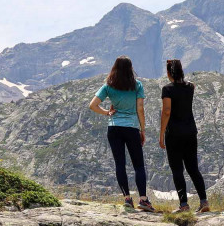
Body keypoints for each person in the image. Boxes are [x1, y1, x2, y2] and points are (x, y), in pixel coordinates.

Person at [89, 56, 155, 212]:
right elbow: (140, 109)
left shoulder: (108, 86)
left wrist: (107, 113)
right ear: (130, 68)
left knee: (120, 164)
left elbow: (92, 105)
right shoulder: (137, 85)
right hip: (131, 128)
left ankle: (127, 198)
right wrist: (142, 129)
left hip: (114, 128)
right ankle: (143, 200)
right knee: (138, 165)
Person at [159, 59, 209, 213]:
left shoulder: (167, 89)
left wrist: (161, 134)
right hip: (190, 132)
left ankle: (184, 205)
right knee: (193, 168)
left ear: (169, 73)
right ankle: (204, 201)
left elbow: (167, 111)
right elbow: (189, 85)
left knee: (177, 170)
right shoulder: (190, 87)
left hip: (174, 134)